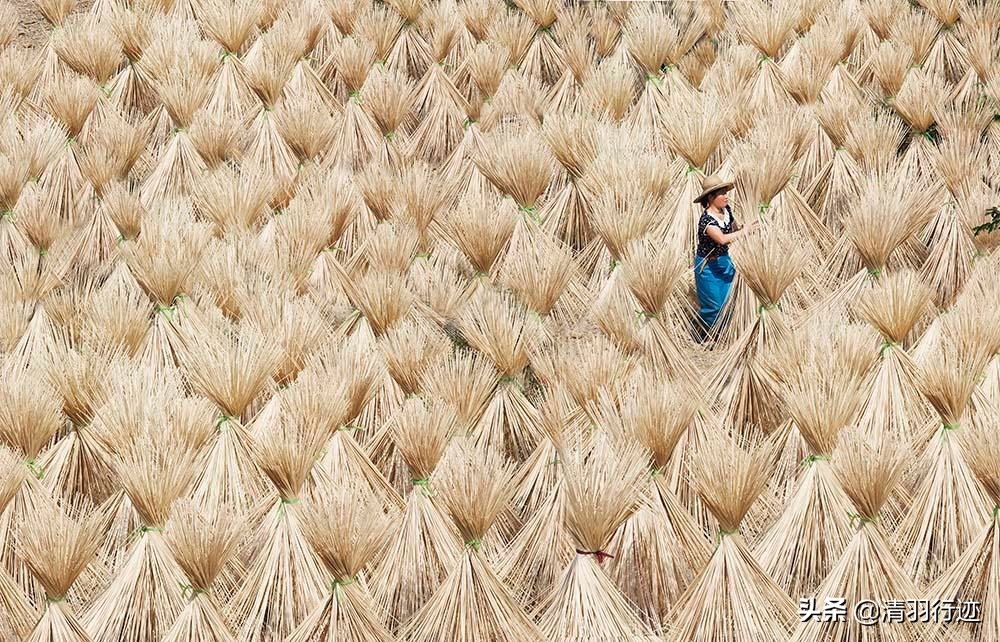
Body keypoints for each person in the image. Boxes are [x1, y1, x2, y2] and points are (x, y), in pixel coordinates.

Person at [693, 175, 756, 340]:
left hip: (724, 262)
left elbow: (734, 228)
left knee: (728, 301)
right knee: (714, 306)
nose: (726, 196)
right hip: (708, 267)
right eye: (722, 193)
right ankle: (704, 334)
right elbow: (722, 238)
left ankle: (722, 335)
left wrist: (748, 228)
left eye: (726, 192)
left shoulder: (726, 211)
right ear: (711, 197)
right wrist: (745, 231)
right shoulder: (706, 220)